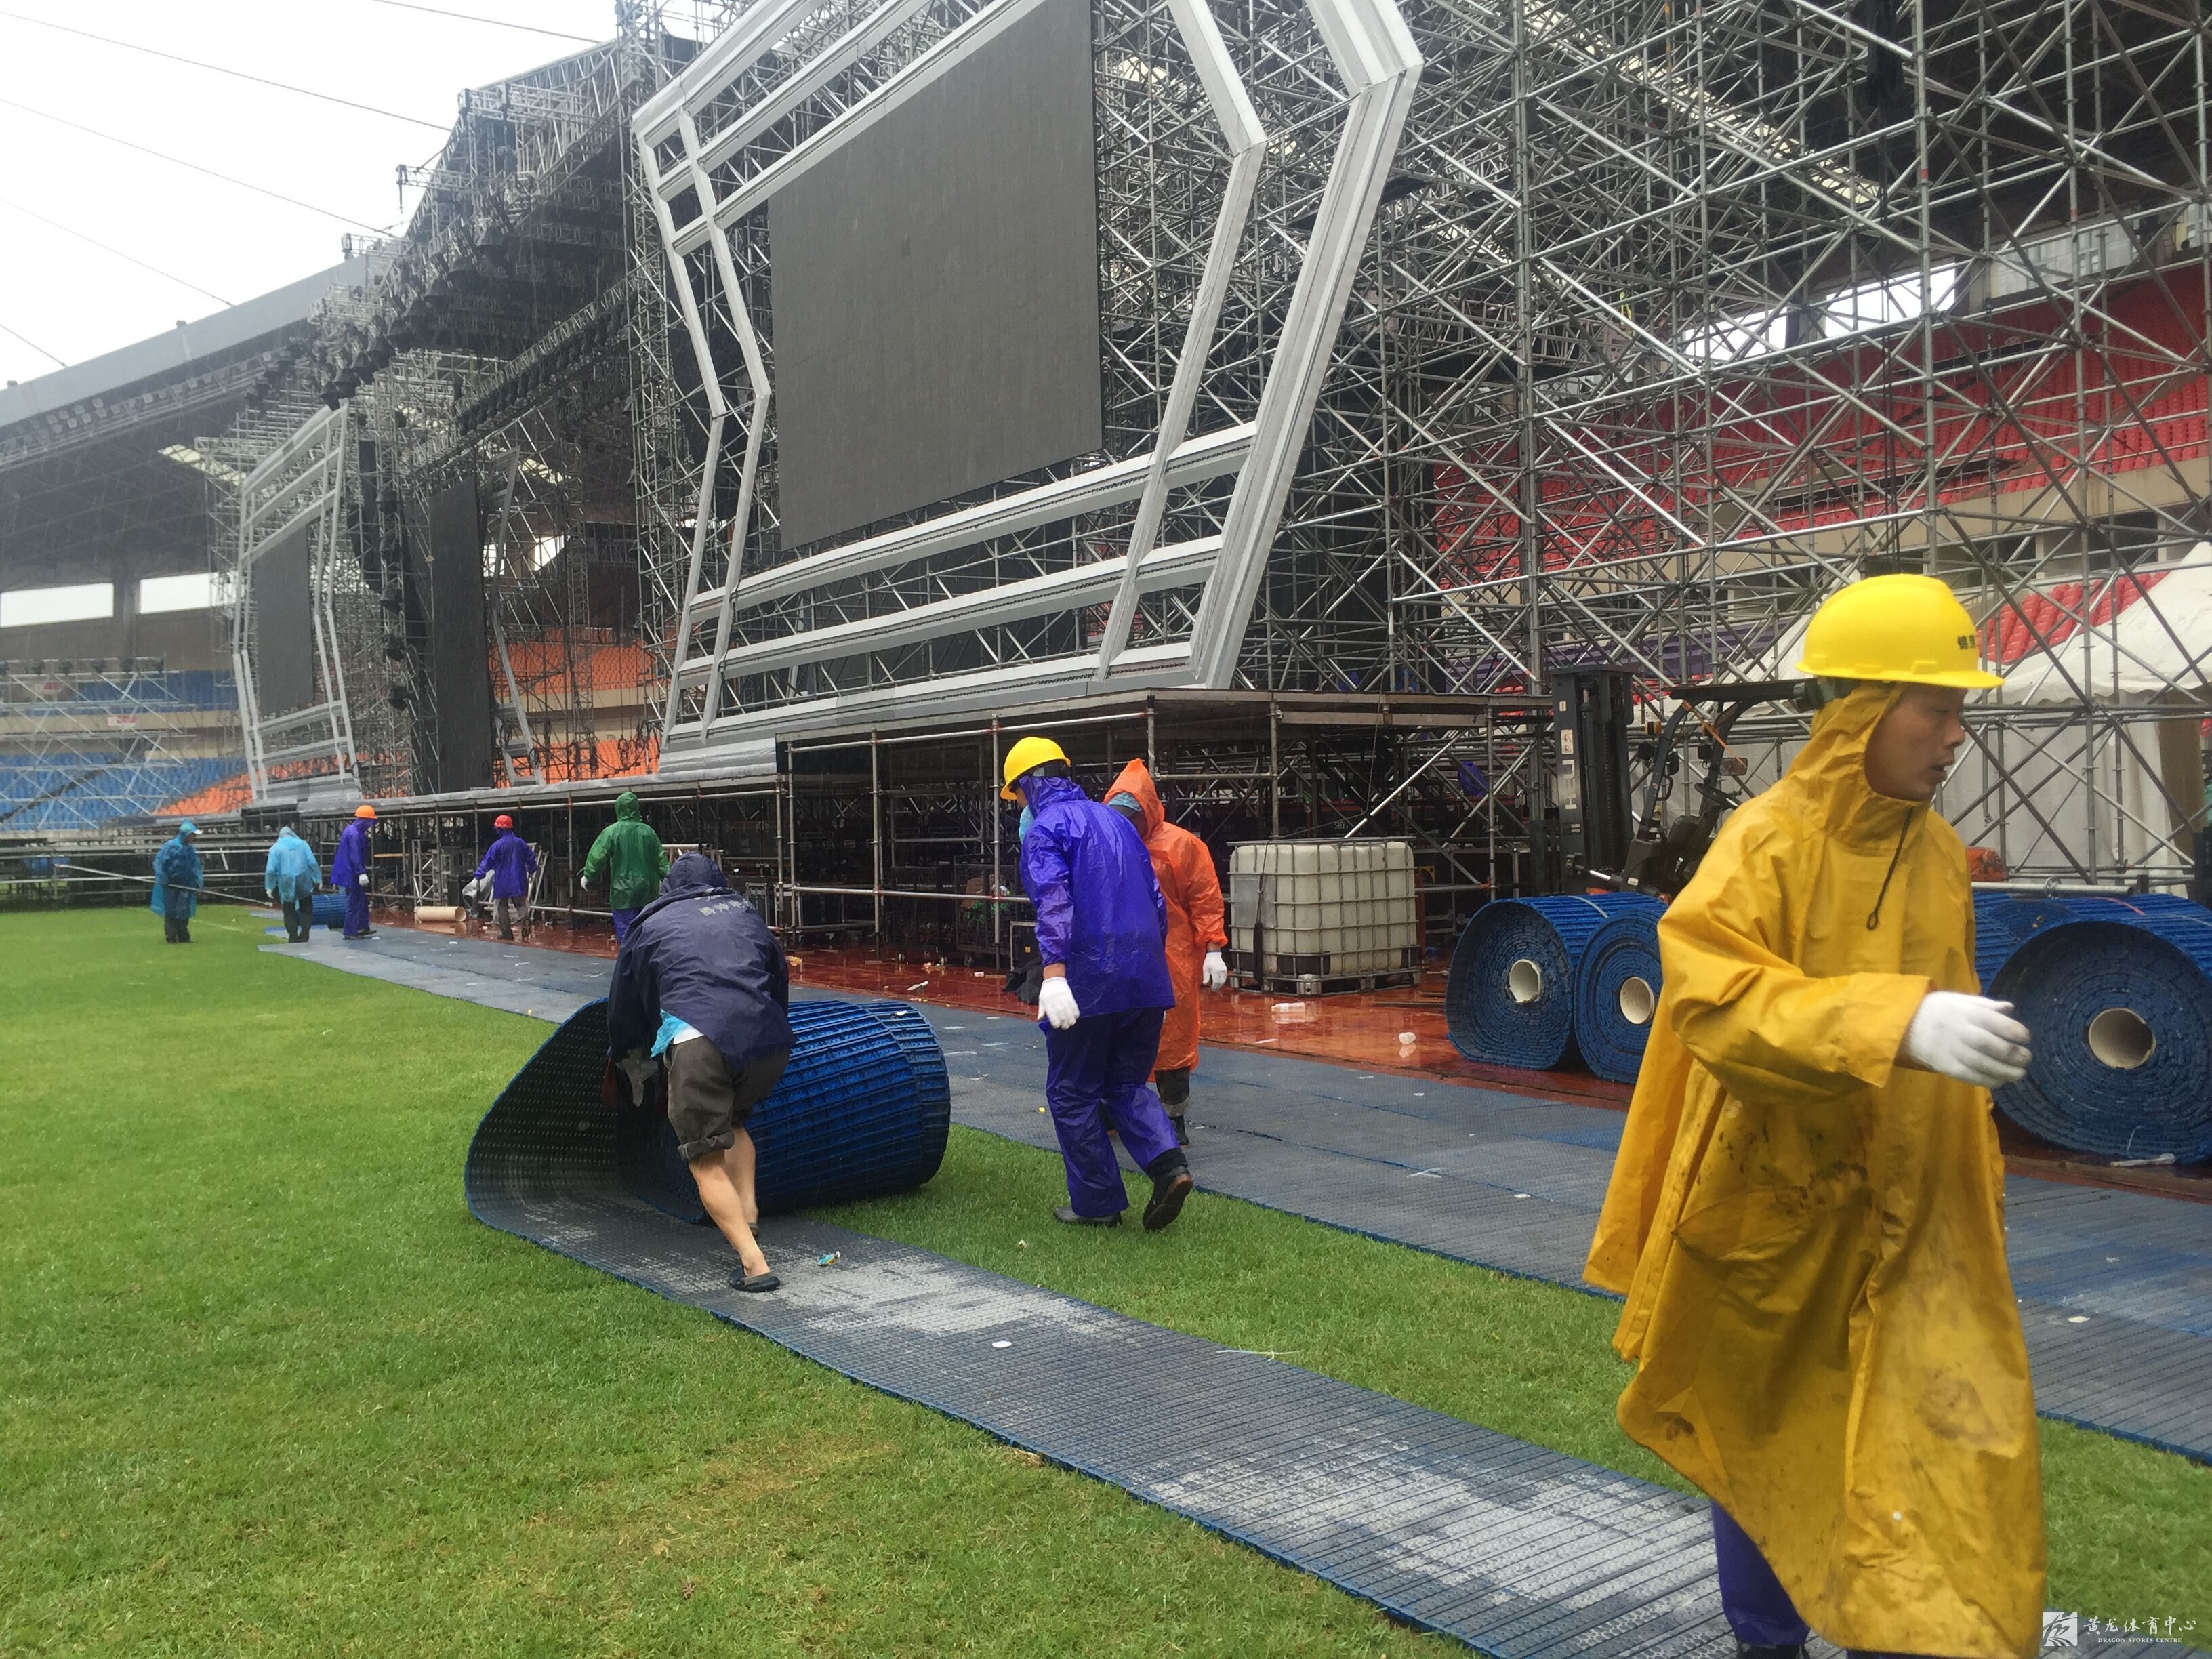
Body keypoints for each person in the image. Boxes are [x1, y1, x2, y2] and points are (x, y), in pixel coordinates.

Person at [1584, 573, 2042, 1659]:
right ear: (1859, 716)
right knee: (1769, 1419)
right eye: (1936, 710)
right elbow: (1712, 995)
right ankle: (1769, 1640)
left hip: (1915, 1206)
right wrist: (1897, 1026)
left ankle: (1906, 1622)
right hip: (1774, 1197)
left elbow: (1939, 996)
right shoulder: (1767, 842)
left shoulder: (1936, 854)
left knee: (1940, 1417)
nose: (1954, 738)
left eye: (1959, 712)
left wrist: (1959, 1113)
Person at [1004, 735, 1194, 1231]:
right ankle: (1170, 1167)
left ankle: (1097, 1204)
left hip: (1087, 981)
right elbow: (1155, 902)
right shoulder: (1116, 821)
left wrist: (1053, 975)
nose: (1018, 808)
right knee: (1127, 1083)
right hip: (1145, 979)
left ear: (1028, 785)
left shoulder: (1045, 830)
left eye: (1017, 796)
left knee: (1071, 1093)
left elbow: (1053, 902)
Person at [607, 853, 794, 1292]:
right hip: (766, 1043)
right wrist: (774, 1025)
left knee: (704, 1158)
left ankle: (755, 1265)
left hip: (698, 1043)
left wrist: (624, 1052)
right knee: (735, 1121)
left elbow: (625, 1001)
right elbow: (778, 973)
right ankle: (748, 1212)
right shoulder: (744, 912)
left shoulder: (649, 926)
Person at [1105, 758, 1228, 1145]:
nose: (1127, 824)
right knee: (1115, 1035)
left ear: (1149, 811)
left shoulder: (1182, 845)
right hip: (1121, 957)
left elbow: (1206, 898)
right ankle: (1114, 1113)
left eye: (1133, 816)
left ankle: (1174, 1122)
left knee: (1173, 1041)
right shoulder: (1107, 845)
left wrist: (1213, 949)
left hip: (1171, 959)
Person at [580, 790, 668, 946]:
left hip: (622, 894)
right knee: (648, 934)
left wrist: (588, 875)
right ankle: (647, 966)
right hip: (648, 891)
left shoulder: (612, 832)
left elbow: (598, 856)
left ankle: (630, 967)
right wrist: (669, 881)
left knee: (627, 935)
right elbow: (661, 861)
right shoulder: (649, 833)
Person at [474, 813, 539, 941]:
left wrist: (478, 876)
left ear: (500, 829)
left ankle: (506, 933)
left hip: (502, 880)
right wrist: (531, 871)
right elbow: (531, 858)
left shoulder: (497, 845)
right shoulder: (521, 843)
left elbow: (487, 862)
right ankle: (525, 920)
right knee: (520, 904)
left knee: (502, 906)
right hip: (519, 879)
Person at [264, 825, 321, 943]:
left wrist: (269, 887)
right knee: (306, 908)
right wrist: (317, 879)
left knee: (288, 909)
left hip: (286, 880)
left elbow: (271, 870)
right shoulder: (303, 845)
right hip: (304, 878)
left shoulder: (275, 848)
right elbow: (312, 863)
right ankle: (305, 934)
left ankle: (293, 936)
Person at [150, 821, 203, 944]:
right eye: (193, 835)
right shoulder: (170, 847)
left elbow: (196, 867)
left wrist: (199, 882)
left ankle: (184, 936)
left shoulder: (190, 849)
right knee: (172, 911)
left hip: (187, 884)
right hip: (171, 885)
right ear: (186, 834)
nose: (194, 838)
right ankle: (171, 937)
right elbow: (159, 863)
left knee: (184, 911)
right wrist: (164, 879)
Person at [331, 804, 377, 939]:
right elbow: (355, 855)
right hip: (351, 873)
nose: (371, 825)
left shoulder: (353, 831)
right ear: (364, 820)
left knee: (361, 900)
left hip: (350, 872)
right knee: (354, 901)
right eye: (370, 821)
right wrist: (361, 872)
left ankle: (362, 926)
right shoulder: (354, 834)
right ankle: (350, 931)